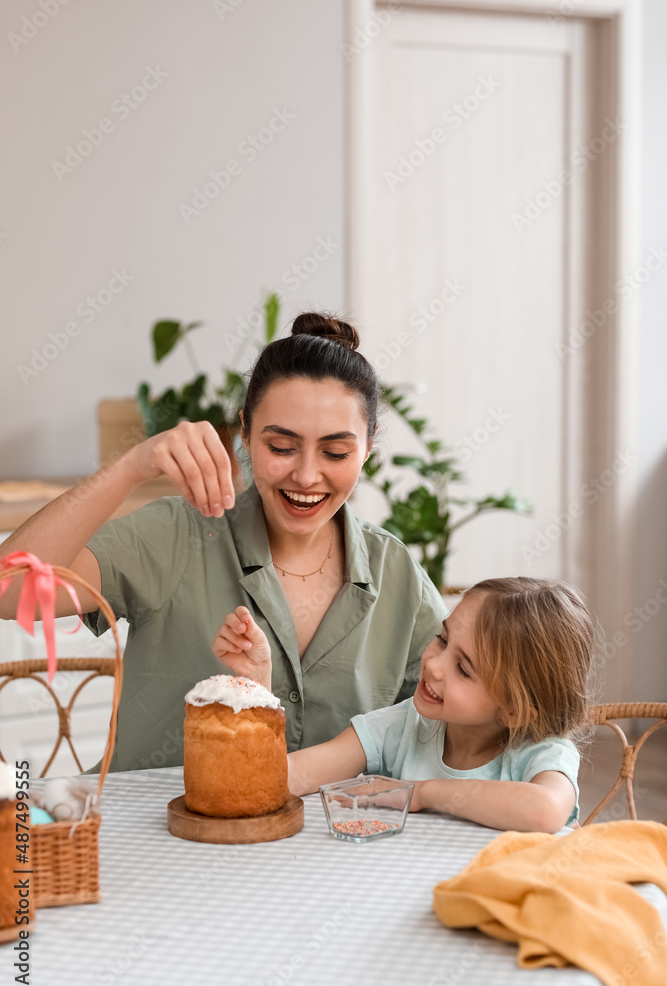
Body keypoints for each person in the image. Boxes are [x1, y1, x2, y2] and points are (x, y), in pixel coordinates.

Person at [0, 313, 445, 770]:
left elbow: (463, 715)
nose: (307, 475)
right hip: (146, 833)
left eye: (336, 452)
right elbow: (8, 589)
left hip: (323, 841)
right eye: (281, 447)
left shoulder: (395, 572)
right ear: (245, 435)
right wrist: (132, 465)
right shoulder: (176, 535)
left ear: (367, 448)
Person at [217, 577, 595, 833]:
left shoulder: (542, 755)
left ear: (514, 709)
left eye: (463, 669)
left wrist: (419, 793)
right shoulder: (401, 726)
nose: (432, 665)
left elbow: (544, 810)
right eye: (442, 640)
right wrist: (256, 689)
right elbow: (279, 777)